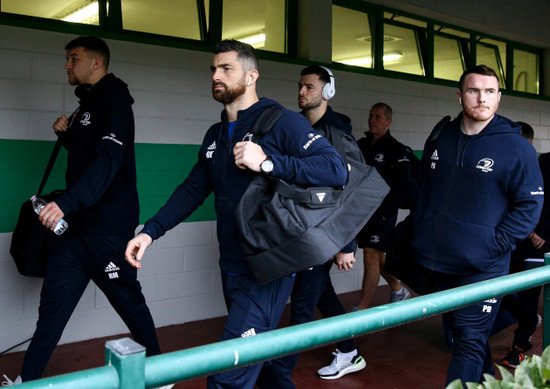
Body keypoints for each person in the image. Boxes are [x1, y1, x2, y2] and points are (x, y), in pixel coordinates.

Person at [124, 40, 347, 389]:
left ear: (251, 75)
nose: (216, 75)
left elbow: (335, 169)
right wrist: (149, 232)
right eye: (214, 69)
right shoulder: (216, 135)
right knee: (265, 365)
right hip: (231, 263)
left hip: (268, 265)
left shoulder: (282, 122)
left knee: (228, 374)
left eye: (226, 68)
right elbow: (192, 190)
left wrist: (269, 162)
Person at [5, 36, 166, 386]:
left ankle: (161, 373)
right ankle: (26, 381)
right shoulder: (87, 104)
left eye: (73, 58)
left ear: (96, 62)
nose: (67, 65)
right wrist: (67, 135)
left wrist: (64, 203)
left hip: (107, 230)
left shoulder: (116, 99)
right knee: (51, 311)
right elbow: (87, 157)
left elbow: (108, 163)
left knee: (129, 305)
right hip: (75, 231)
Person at [411, 65, 544, 386]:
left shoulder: (516, 147)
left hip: (484, 265)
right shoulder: (442, 135)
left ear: (499, 98)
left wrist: (494, 246)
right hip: (440, 262)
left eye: (489, 91)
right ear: (460, 96)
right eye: (473, 90)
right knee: (465, 337)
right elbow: (425, 190)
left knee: (468, 341)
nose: (481, 98)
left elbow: (530, 205)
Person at [256, 65, 366, 387]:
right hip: (302, 230)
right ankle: (349, 350)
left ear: (327, 92)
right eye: (300, 86)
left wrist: (346, 245)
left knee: (303, 306)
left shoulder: (339, 135)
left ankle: (277, 379)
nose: (302, 92)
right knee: (321, 295)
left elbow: (352, 191)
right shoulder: (297, 128)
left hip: (324, 237)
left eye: (310, 87)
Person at [354, 103, 412, 310]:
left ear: (388, 121)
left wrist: (388, 212)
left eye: (378, 117)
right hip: (363, 212)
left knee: (370, 254)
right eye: (371, 116)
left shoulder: (397, 149)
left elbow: (403, 187)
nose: (373, 120)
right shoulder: (361, 145)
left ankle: (362, 308)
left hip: (384, 213)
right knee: (377, 256)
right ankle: (398, 289)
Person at [499, 121, 547, 368]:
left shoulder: (545, 164)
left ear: (528, 143)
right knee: (501, 292)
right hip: (509, 242)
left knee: (529, 297)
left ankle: (520, 345)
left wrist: (544, 233)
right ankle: (529, 320)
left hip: (537, 244)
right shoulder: (504, 166)